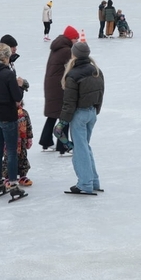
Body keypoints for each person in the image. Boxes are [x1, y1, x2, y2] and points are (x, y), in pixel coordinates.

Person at [57, 42, 106, 195]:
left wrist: (62, 122)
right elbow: (101, 92)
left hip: (79, 115)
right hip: (91, 113)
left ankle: (85, 183)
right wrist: (96, 110)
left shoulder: (73, 74)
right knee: (84, 147)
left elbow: (69, 102)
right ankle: (94, 181)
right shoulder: (96, 70)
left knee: (80, 149)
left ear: (74, 54)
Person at [0, 43, 28, 202]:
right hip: (7, 115)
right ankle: (14, 185)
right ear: (5, 57)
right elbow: (17, 97)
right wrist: (20, 85)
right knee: (10, 150)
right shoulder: (8, 74)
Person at [41, 26, 79, 153]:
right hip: (59, 86)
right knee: (65, 114)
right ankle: (64, 146)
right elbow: (74, 67)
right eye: (75, 38)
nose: (77, 41)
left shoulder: (58, 47)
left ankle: (46, 141)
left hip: (52, 84)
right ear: (70, 38)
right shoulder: (66, 51)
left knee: (53, 114)